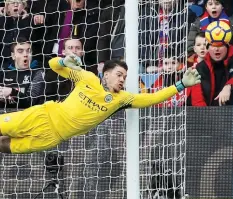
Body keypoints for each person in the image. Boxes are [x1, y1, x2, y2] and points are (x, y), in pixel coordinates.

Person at [0, 55, 201, 154]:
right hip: (42, 116)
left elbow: (152, 99)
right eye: (119, 75)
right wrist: (64, 61)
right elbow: (53, 65)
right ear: (106, 74)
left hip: (54, 137)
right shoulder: (86, 78)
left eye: (125, 76)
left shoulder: (121, 99)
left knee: (8, 147)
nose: (122, 80)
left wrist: (181, 84)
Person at [0, 37, 45, 108]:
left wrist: (12, 92)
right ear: (13, 56)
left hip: (26, 116)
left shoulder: (38, 73)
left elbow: (31, 101)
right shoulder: (3, 73)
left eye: (28, 51)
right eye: (20, 51)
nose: (25, 54)